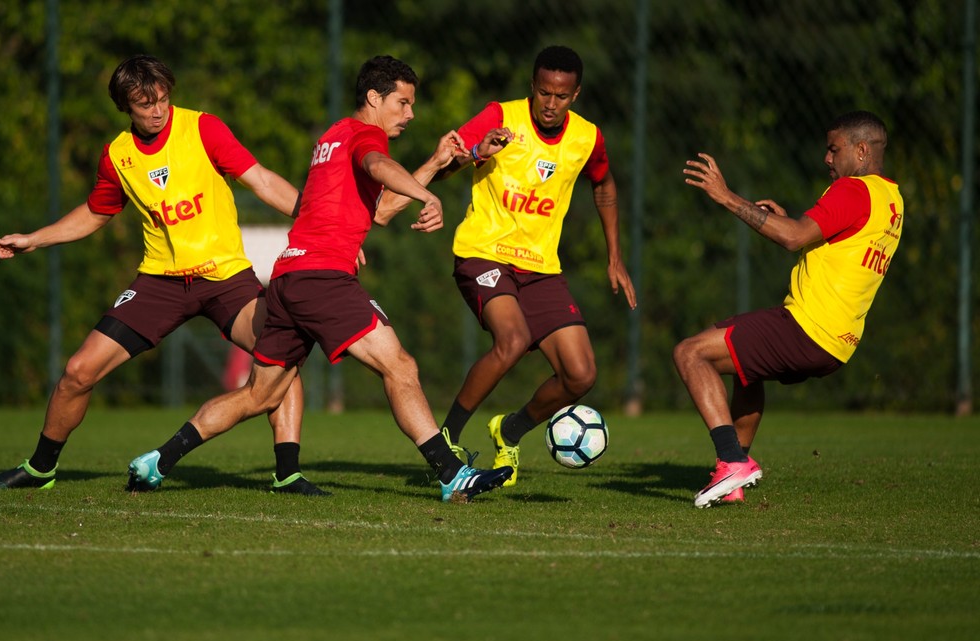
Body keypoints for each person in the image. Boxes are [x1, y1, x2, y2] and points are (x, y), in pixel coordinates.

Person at [127, 55, 512, 502]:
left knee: (259, 395)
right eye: (403, 103)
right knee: (400, 365)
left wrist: (433, 164)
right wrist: (426, 193)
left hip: (289, 277)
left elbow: (381, 210)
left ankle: (158, 460)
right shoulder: (366, 137)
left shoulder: (332, 135)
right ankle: (451, 474)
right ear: (374, 97)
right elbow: (377, 167)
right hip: (321, 278)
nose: (410, 114)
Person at [0, 55, 317, 495]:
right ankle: (40, 469)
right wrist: (35, 238)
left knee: (280, 355)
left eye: (161, 99)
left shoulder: (202, 128)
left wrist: (318, 226)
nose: (157, 110)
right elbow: (95, 213)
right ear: (125, 107)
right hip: (159, 283)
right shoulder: (118, 156)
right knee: (78, 372)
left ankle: (287, 473)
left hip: (226, 278)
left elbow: (263, 180)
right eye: (144, 103)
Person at [376, 45, 636, 487]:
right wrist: (477, 150)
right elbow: (444, 165)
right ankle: (447, 440)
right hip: (484, 252)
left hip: (540, 268)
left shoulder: (587, 138)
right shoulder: (500, 116)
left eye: (561, 95)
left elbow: (605, 184)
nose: (550, 103)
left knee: (580, 374)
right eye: (543, 92)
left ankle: (509, 430)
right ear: (532, 87)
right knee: (512, 339)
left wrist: (615, 256)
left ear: (576, 95)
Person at [675, 110, 903, 508]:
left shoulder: (852, 190)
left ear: (862, 150)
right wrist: (786, 222)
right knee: (746, 371)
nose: (827, 159)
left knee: (690, 352)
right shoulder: (892, 200)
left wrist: (726, 196)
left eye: (835, 149)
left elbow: (794, 238)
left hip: (806, 328)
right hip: (838, 343)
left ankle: (731, 462)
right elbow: (829, 243)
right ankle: (734, 475)